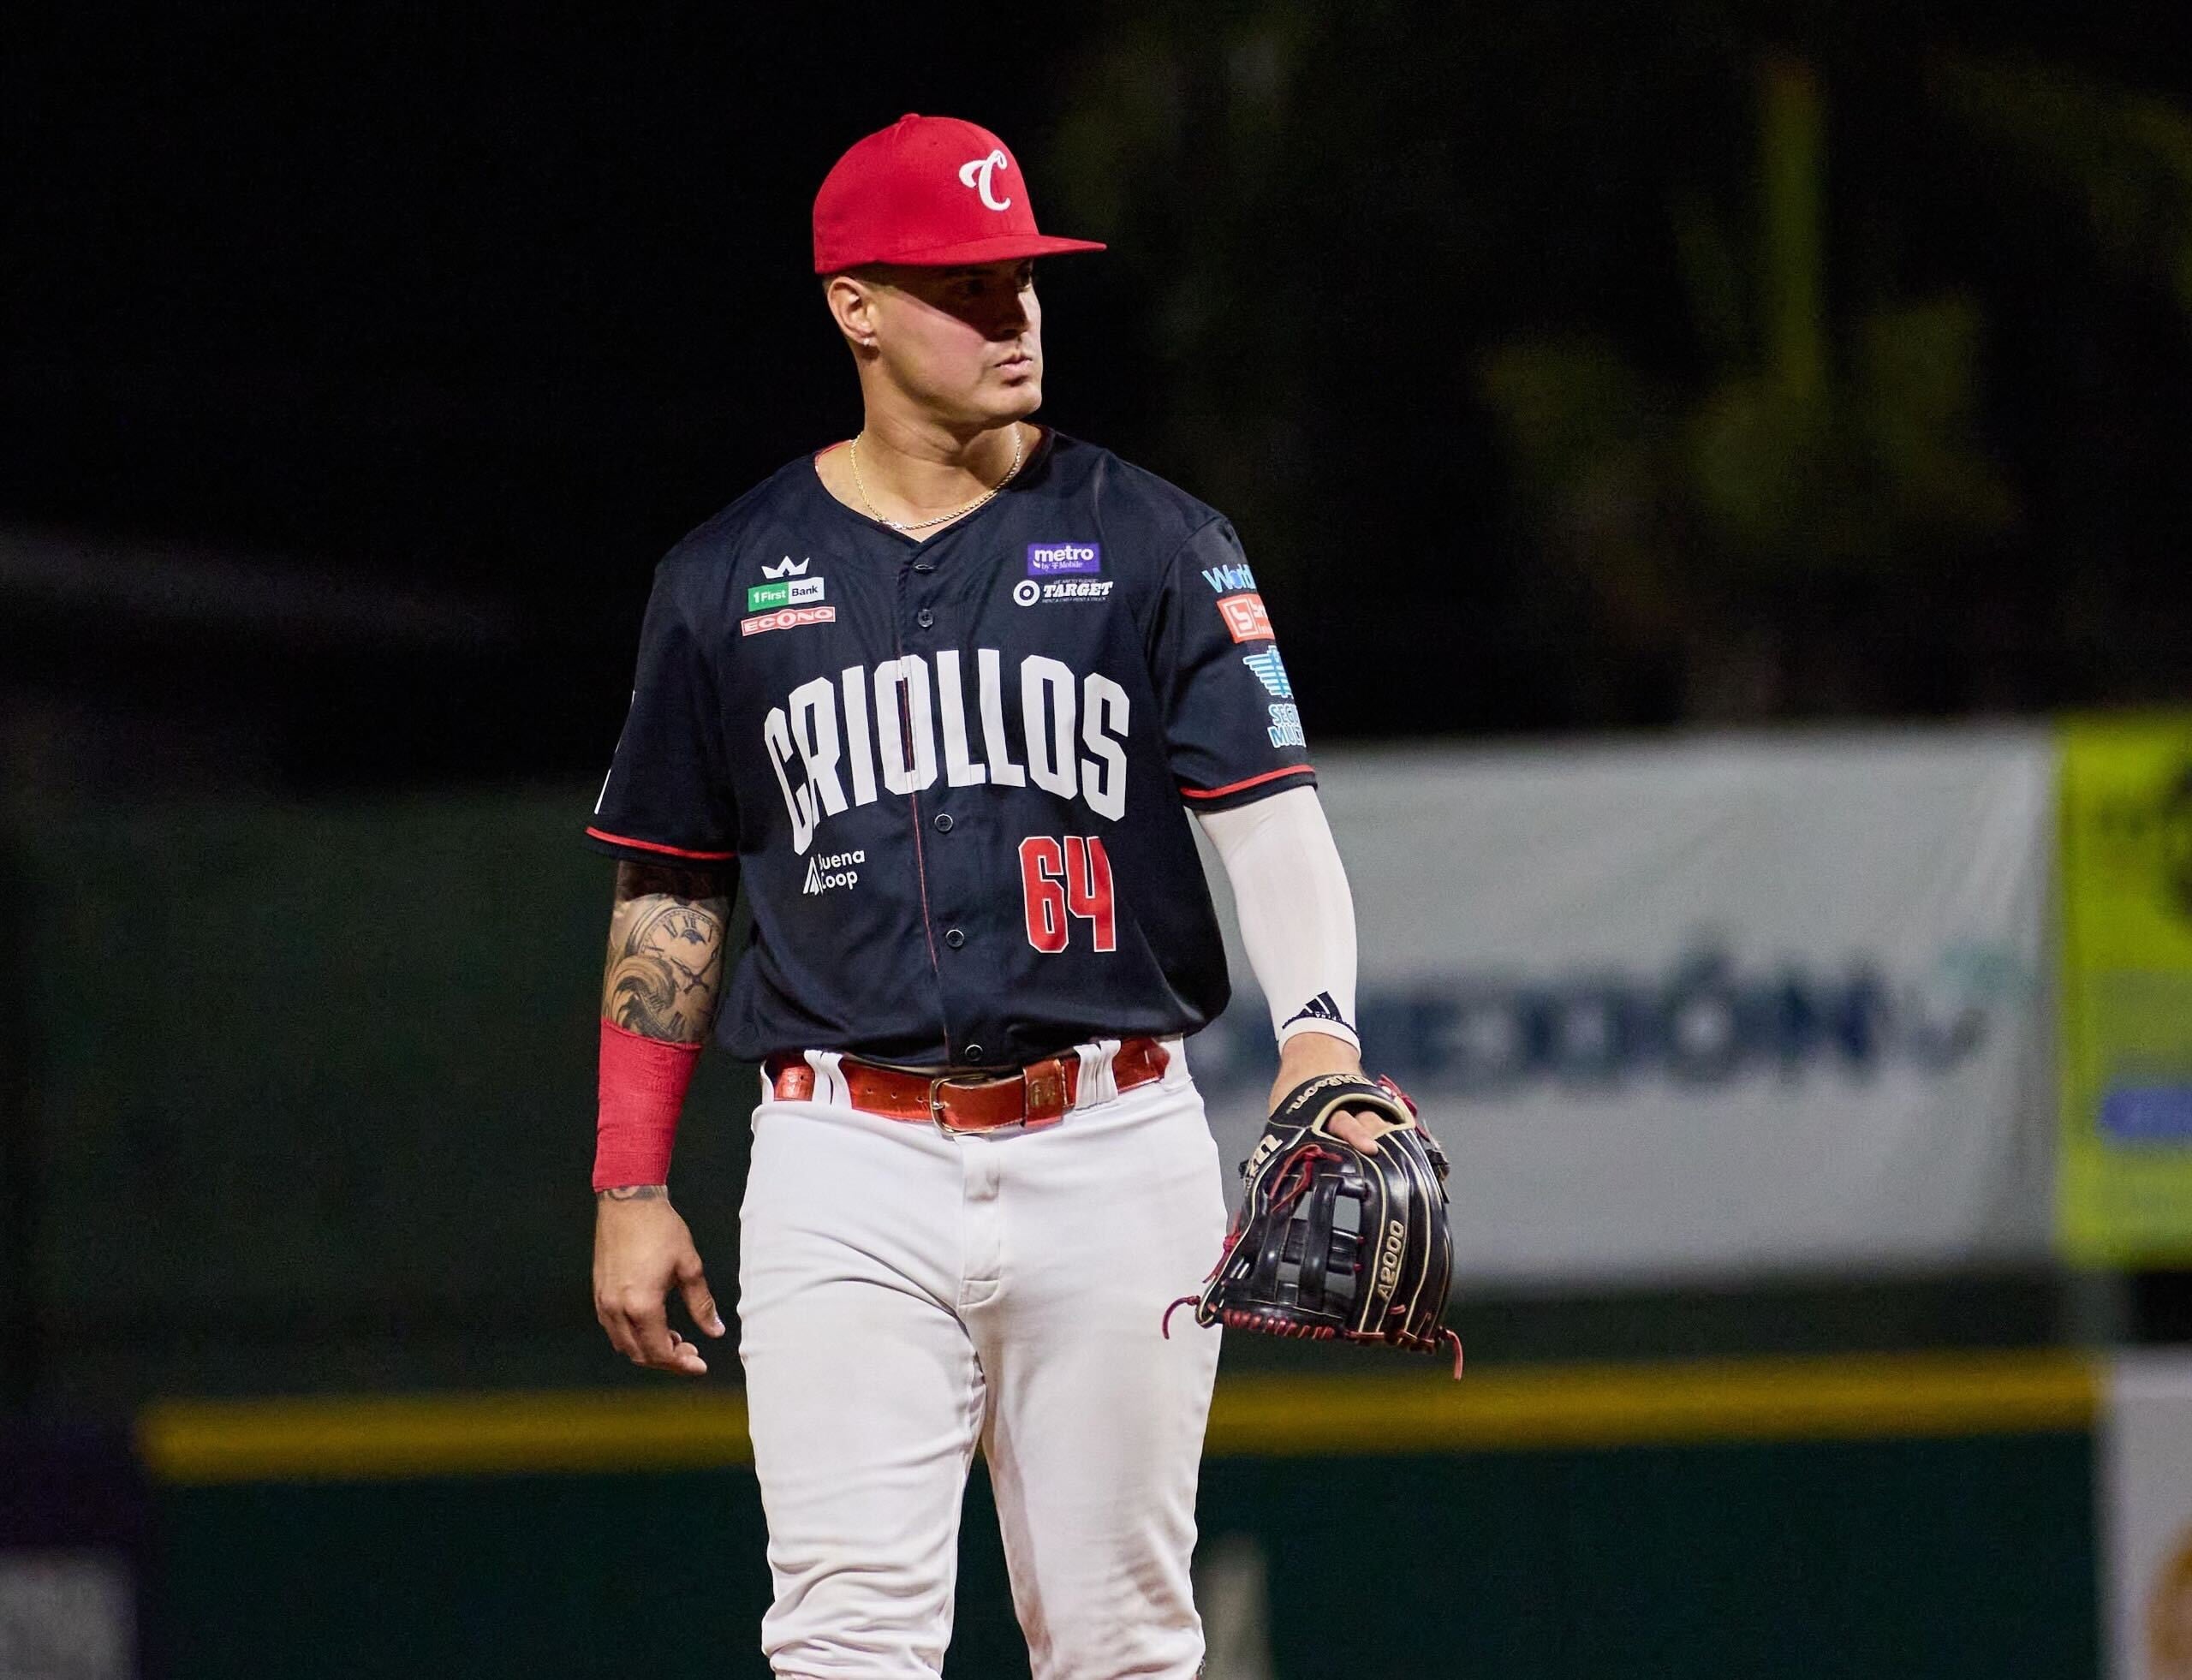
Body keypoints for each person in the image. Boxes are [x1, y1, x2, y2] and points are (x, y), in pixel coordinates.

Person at [585, 111, 1412, 1680]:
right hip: (842, 1153)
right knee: (843, 1641)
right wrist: (631, 1179)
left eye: (1024, 276)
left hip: (1113, 1141)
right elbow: (672, 890)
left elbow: (1273, 821)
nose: (1014, 311)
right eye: (963, 285)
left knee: (1123, 1644)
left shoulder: (1156, 542)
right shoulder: (724, 580)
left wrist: (1319, 1035)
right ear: (856, 307)